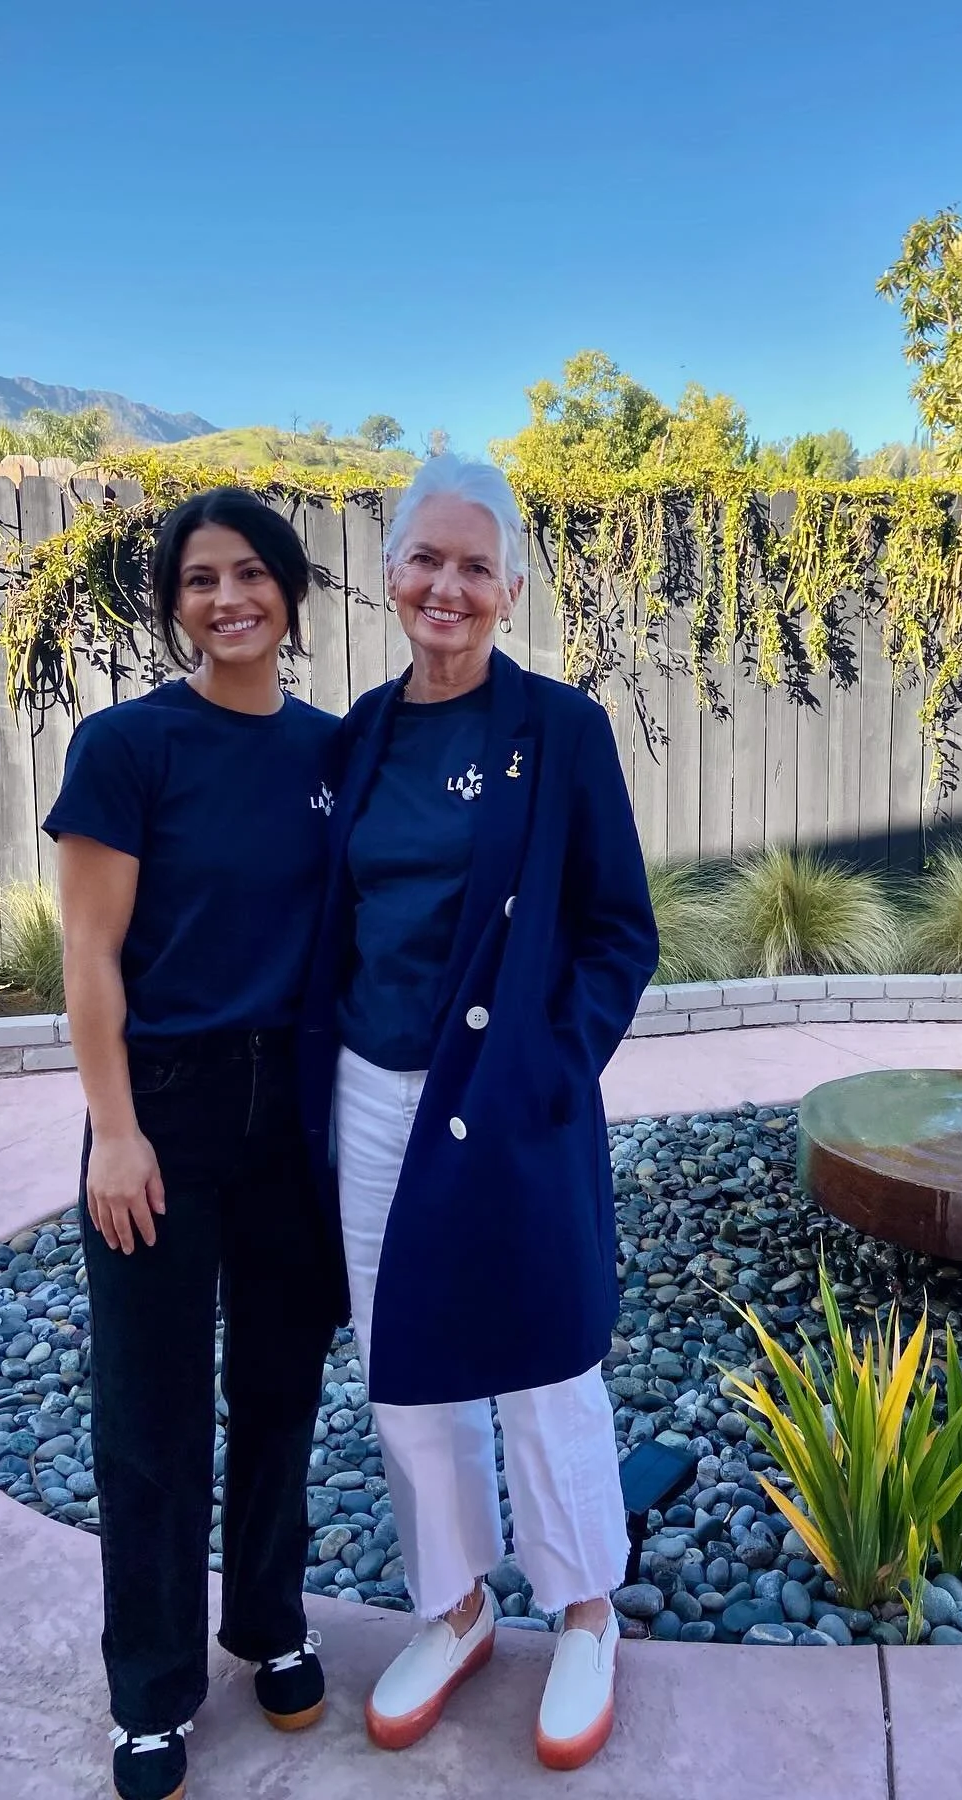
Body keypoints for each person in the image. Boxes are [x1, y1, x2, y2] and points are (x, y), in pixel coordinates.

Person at [297, 454, 657, 1771]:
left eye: (475, 565)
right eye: (425, 559)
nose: (447, 586)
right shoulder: (358, 737)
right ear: (391, 573)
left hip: (506, 1093)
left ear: (510, 586)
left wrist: (553, 1067)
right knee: (406, 1355)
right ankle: (453, 1609)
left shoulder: (560, 732)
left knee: (544, 1351)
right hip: (369, 1091)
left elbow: (619, 930)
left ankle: (584, 1611)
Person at [45, 488, 342, 1800]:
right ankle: (153, 1689)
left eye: (251, 573)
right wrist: (114, 1131)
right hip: (161, 1107)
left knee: (281, 1387)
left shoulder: (335, 752)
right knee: (151, 1408)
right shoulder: (127, 748)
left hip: (296, 1113)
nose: (230, 599)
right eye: (201, 580)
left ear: (290, 589)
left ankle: (269, 1621)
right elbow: (89, 955)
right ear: (173, 606)